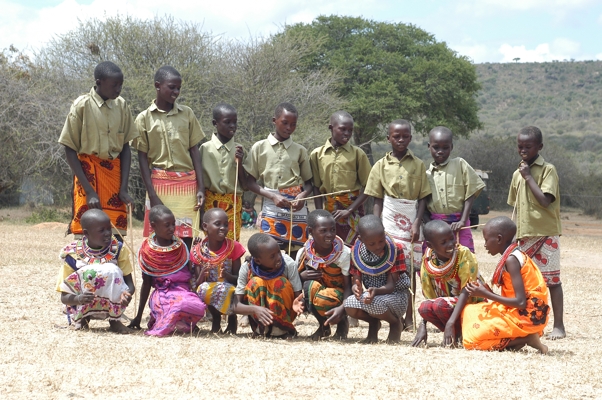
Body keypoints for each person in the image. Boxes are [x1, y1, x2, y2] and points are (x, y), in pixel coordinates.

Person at [59, 61, 138, 238]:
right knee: (88, 234)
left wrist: (123, 188)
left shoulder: (122, 105)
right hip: (88, 177)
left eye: (121, 85)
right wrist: (89, 191)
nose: (118, 89)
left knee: (115, 236)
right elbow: (69, 148)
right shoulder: (82, 105)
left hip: (114, 179)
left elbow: (125, 147)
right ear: (99, 82)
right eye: (114, 85)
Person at [364, 119, 431, 328]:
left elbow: (422, 198)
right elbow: (376, 198)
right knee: (391, 269)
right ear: (388, 138)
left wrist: (417, 223)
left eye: (405, 136)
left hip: (411, 219)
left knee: (410, 269)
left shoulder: (418, 164)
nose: (401, 140)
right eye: (396, 136)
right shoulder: (380, 166)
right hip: (388, 220)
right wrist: (377, 226)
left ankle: (410, 318)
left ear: (411, 137)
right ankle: (393, 315)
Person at [133, 66, 205, 249]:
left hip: (187, 184)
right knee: (158, 238)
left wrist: (201, 187)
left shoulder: (187, 113)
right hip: (159, 184)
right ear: (158, 86)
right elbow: (142, 157)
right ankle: (159, 276)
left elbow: (194, 150)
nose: (176, 92)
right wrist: (152, 194)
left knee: (188, 236)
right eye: (172, 87)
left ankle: (186, 275)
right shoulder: (143, 118)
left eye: (178, 88)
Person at [508, 126, 564, 340]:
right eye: (520, 146)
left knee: (552, 281)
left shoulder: (548, 169)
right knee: (523, 283)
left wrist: (529, 177)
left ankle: (559, 326)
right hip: (523, 235)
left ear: (539, 147)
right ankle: (529, 324)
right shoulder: (516, 173)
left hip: (546, 233)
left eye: (528, 146)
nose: (523, 150)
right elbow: (514, 206)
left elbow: (544, 200)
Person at [462, 217, 549, 354]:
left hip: (526, 316)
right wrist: (486, 290)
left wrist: (485, 294)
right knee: (469, 311)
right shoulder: (514, 254)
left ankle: (525, 339)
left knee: (471, 340)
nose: (485, 245)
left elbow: (520, 302)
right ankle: (515, 340)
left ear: (499, 239)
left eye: (486, 240)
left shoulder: (511, 260)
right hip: (517, 310)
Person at [244, 102, 313, 257]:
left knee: (295, 253)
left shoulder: (300, 151)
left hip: (296, 208)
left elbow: (309, 184)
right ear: (274, 120)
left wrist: (302, 196)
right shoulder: (259, 147)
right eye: (285, 123)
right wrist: (273, 196)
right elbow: (249, 183)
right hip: (271, 205)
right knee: (268, 251)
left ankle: (294, 280)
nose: (289, 128)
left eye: (293, 124)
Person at [129, 205, 206, 336]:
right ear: (153, 226)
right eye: (167, 225)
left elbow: (190, 275)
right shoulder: (148, 252)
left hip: (183, 292)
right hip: (162, 294)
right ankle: (170, 322)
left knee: (196, 306)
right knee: (177, 305)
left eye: (173, 224)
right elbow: (146, 284)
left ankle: (181, 323)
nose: (172, 228)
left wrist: (195, 252)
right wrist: (138, 316)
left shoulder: (181, 247)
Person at [56, 209, 135, 334]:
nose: (108, 233)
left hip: (112, 305)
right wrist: (79, 299)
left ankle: (115, 321)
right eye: (101, 230)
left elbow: (130, 284)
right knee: (88, 272)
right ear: (86, 233)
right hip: (81, 302)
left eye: (109, 229)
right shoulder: (72, 254)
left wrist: (126, 294)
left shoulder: (118, 249)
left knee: (112, 270)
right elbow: (64, 296)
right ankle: (83, 319)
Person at [411, 220, 479, 348]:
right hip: (447, 305)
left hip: (470, 303)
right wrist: (423, 324)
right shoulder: (428, 260)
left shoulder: (463, 254)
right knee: (424, 307)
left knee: (439, 304)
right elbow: (429, 296)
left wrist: (450, 323)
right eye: (443, 242)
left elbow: (468, 290)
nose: (451, 245)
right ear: (430, 245)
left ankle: (460, 331)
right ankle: (456, 334)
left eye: (451, 239)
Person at [343, 215, 411, 343]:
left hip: (395, 295)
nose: (378, 246)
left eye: (381, 241)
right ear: (361, 240)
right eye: (372, 244)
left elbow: (391, 286)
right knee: (349, 304)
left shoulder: (395, 250)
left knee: (375, 304)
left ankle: (395, 323)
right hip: (372, 295)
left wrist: (375, 291)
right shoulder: (356, 253)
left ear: (384, 233)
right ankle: (373, 324)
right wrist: (356, 288)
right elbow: (356, 279)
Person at [310, 111, 371, 246]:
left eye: (350, 130)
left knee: (353, 249)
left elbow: (369, 187)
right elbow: (316, 187)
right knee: (329, 248)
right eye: (343, 129)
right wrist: (320, 214)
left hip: (352, 211)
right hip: (328, 213)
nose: (347, 133)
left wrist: (349, 210)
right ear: (331, 128)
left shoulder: (357, 154)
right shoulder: (316, 154)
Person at [425, 126, 485, 252]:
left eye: (445, 147)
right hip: (435, 226)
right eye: (436, 147)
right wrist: (429, 225)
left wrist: (463, 220)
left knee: (464, 259)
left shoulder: (460, 164)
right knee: (436, 262)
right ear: (429, 146)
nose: (440, 151)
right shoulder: (426, 175)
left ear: (451, 147)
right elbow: (422, 203)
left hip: (460, 224)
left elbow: (471, 191)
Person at [296, 210, 352, 340]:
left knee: (324, 298)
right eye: (323, 231)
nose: (330, 235)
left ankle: (342, 323)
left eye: (332, 230)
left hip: (341, 294)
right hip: (319, 291)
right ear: (311, 231)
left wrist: (343, 308)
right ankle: (323, 327)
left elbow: (349, 285)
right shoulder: (304, 252)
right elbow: (295, 281)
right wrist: (301, 276)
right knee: (308, 286)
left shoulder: (343, 254)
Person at [235, 233, 304, 338]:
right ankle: (262, 329)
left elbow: (298, 296)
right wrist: (254, 309)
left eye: (278, 252)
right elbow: (235, 305)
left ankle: (280, 330)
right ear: (258, 260)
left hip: (285, 314)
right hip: (258, 316)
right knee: (255, 282)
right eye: (272, 256)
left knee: (280, 282)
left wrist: (299, 303)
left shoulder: (288, 263)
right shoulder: (246, 268)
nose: (278, 258)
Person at [190, 208, 246, 334]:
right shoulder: (198, 251)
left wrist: (227, 275)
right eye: (217, 224)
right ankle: (216, 318)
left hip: (230, 288)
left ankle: (232, 319)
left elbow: (239, 278)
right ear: (205, 226)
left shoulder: (233, 247)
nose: (223, 228)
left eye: (225, 224)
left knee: (227, 289)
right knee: (204, 289)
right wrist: (203, 273)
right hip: (209, 288)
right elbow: (198, 284)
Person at [200, 103, 247, 241]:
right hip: (210, 203)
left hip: (233, 203)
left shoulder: (240, 149)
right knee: (211, 244)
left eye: (235, 122)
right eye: (227, 122)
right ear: (215, 123)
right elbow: (200, 181)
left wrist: (240, 161)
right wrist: (201, 209)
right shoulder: (204, 149)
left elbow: (245, 185)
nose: (232, 126)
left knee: (231, 244)